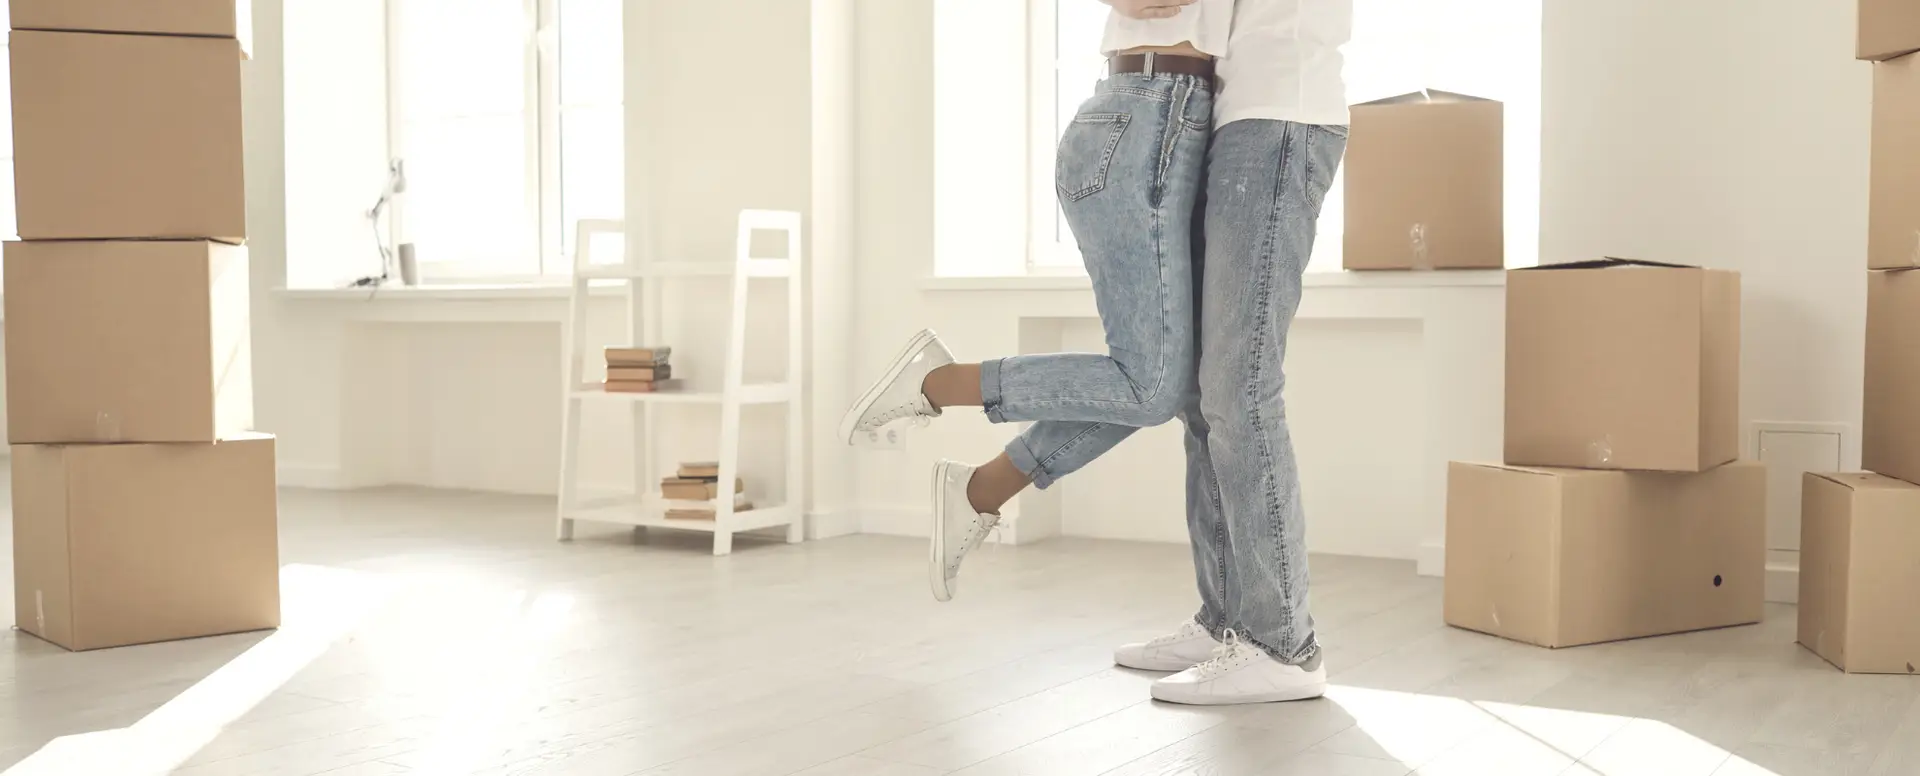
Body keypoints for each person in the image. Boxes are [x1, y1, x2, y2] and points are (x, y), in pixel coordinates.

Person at [844, 0, 1351, 707]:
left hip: (1276, 113)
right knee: (1199, 396)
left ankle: (1282, 646)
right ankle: (1228, 622)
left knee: (1232, 392)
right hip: (1210, 110)